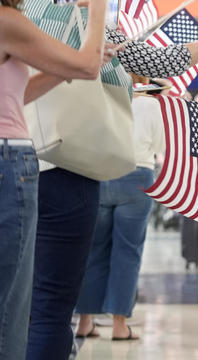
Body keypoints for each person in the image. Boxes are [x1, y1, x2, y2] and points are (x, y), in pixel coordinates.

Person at [21, 0, 198, 358]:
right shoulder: (91, 21)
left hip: (18, 159)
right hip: (71, 165)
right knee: (52, 304)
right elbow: (158, 63)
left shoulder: (21, 13)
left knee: (19, 299)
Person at [0, 0, 106, 358]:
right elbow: (90, 65)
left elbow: (19, 95)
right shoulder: (7, 20)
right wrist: (99, 7)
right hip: (8, 162)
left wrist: (63, 68)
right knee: (11, 309)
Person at [73, 76, 166, 341]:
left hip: (101, 173)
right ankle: (118, 325)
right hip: (137, 177)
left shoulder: (101, 93)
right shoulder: (152, 104)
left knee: (93, 250)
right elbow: (160, 147)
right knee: (128, 252)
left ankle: (84, 322)